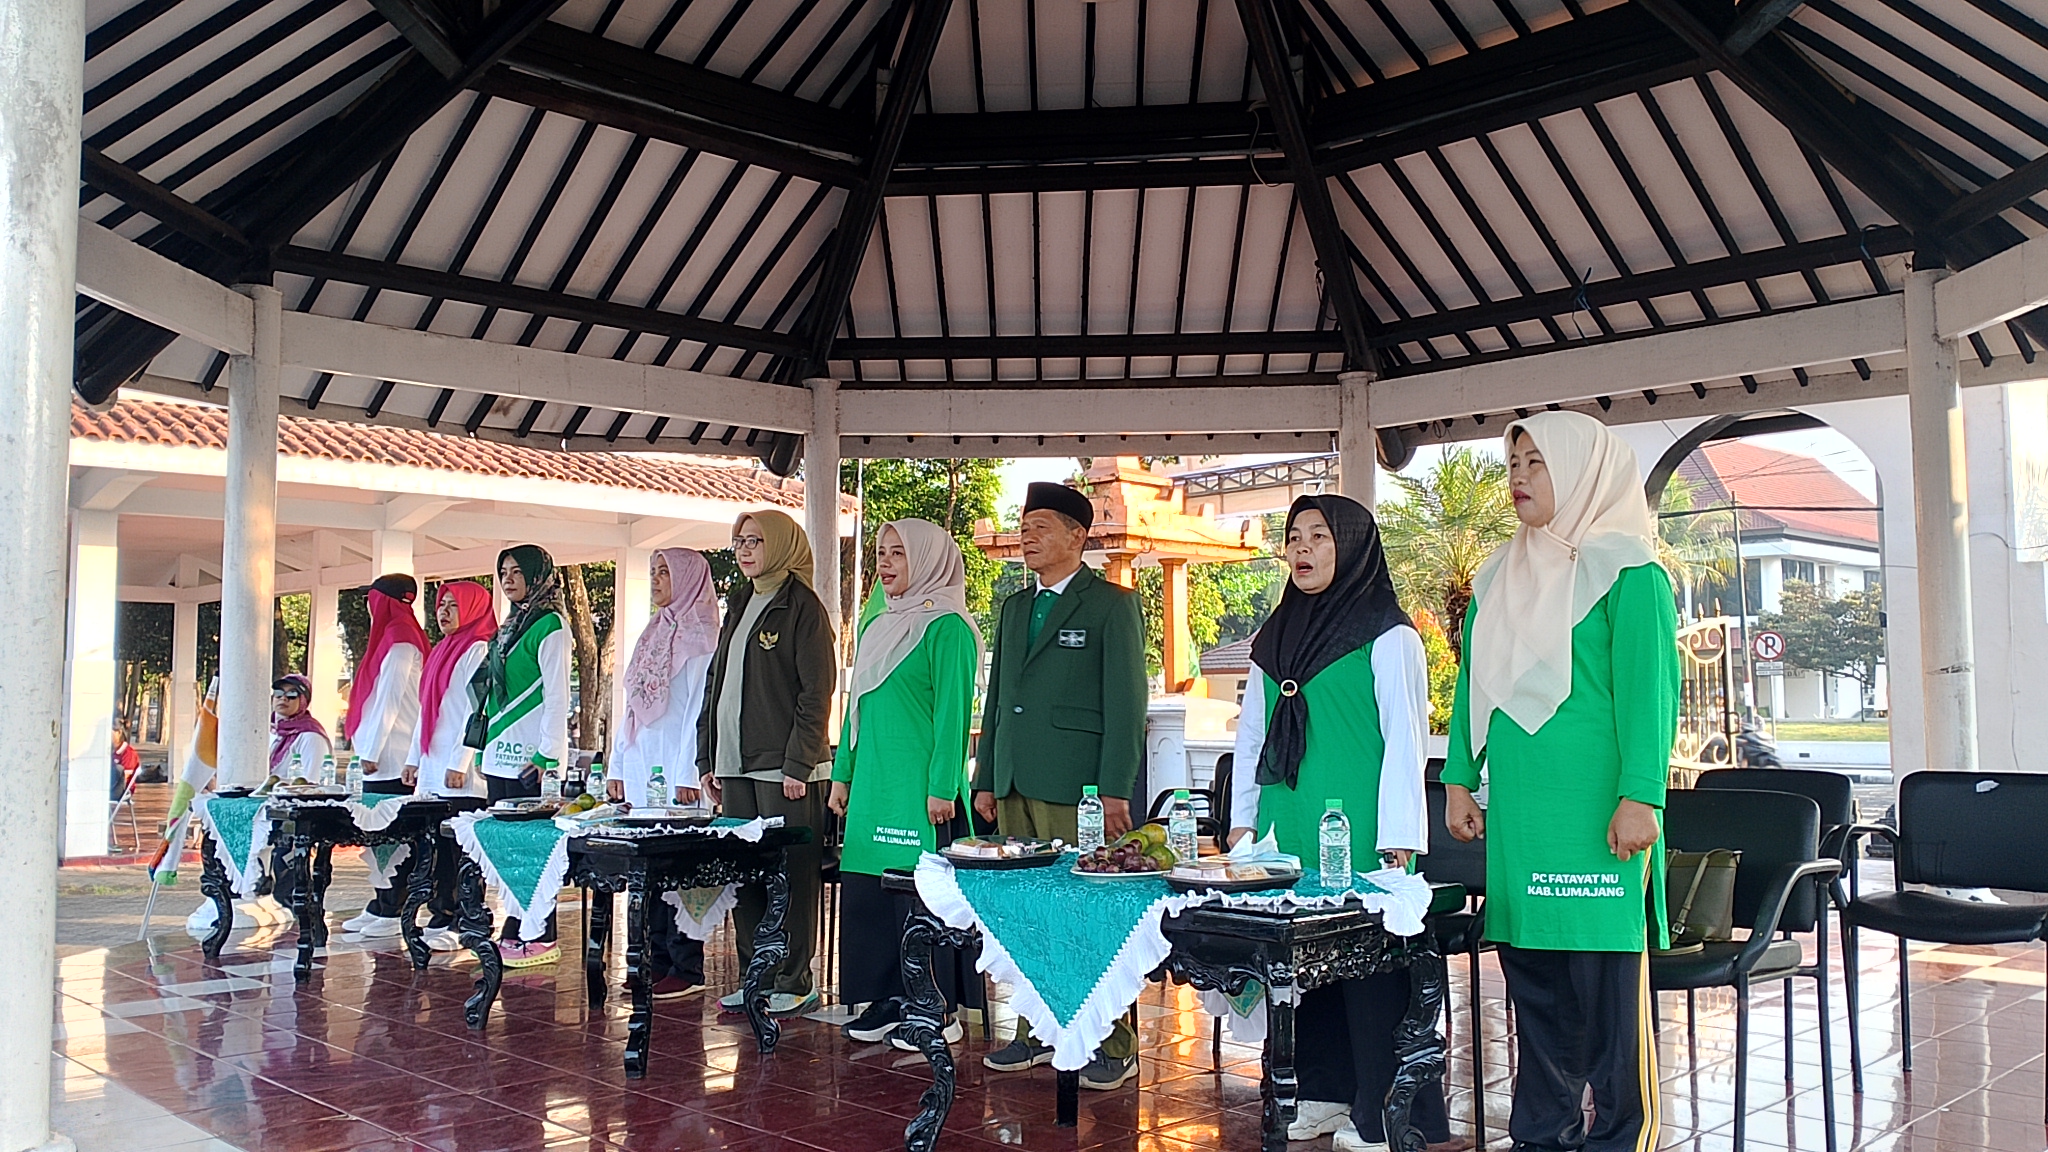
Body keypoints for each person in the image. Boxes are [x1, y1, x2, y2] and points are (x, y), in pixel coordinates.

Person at [1441, 411, 1679, 1152]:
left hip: (1600, 820)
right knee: (1535, 984)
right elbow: (1473, 688)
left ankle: (1622, 1137)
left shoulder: (1631, 574)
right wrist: (1459, 779)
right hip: (1525, 818)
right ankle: (1542, 1135)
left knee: (1606, 993)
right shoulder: (1498, 577)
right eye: (1513, 464)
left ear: (1581, 471)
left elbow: (1650, 695)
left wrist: (1642, 795)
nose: (1518, 477)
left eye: (1536, 462)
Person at [1227, 494, 1452, 1151]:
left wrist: (1400, 837)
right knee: (1303, 973)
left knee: (1370, 974)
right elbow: (1251, 736)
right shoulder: (1274, 637)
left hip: (1361, 831)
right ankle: (1321, 1093)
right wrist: (1243, 821)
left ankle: (1384, 1115)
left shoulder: (1389, 632)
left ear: (1351, 546)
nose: (1301, 549)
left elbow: (1406, 738)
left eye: (1319, 537)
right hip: (1287, 825)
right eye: (1294, 537)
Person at [973, 481, 1147, 1090]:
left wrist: (1115, 788)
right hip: (1015, 781)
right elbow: (998, 699)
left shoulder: (1112, 605)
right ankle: (1032, 1031)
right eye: (1024, 527)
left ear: (1078, 536)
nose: (1028, 537)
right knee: (1025, 910)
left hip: (1078, 787)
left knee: (1085, 910)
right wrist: (986, 777)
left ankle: (1114, 1042)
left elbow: (1126, 705)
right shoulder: (1014, 608)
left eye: (1041, 526)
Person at [828, 519, 980, 1048]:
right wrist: (842, 774)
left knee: (922, 897)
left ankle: (937, 1007)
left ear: (930, 559)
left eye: (899, 553)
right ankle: (888, 999)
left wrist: (942, 785)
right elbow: (856, 709)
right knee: (872, 893)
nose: (886, 563)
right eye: (881, 552)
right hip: (874, 786)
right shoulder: (878, 624)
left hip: (921, 792)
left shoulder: (948, 628)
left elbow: (953, 716)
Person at [698, 509, 834, 1016]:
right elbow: (716, 684)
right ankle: (756, 976)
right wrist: (707, 756)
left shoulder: (802, 607)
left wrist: (798, 762)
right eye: (739, 541)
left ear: (779, 544)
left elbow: (817, 692)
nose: (744, 550)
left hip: (784, 770)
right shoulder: (739, 602)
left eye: (755, 540)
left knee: (790, 876)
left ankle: (795, 981)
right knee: (746, 875)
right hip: (734, 765)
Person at [614, 548, 720, 1000]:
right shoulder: (653, 633)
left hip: (679, 774)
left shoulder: (704, 637)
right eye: (653, 571)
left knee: (681, 872)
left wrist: (689, 772)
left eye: (665, 572)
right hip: (643, 770)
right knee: (649, 870)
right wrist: (618, 766)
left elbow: (699, 710)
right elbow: (631, 707)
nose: (656, 580)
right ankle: (651, 960)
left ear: (689, 578)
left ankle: (685, 965)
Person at [473, 544, 573, 968]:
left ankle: (541, 934)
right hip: (500, 753)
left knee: (533, 849)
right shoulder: (509, 627)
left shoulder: (551, 625)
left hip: (532, 759)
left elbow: (557, 696)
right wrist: (484, 749)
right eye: (503, 572)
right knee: (506, 849)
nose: (508, 579)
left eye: (517, 571)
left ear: (538, 575)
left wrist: (549, 757)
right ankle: (514, 927)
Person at [405, 580, 497, 952]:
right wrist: (414, 759)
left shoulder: (478, 649)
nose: (444, 612)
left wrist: (461, 761)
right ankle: (442, 912)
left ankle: (465, 919)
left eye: (453, 605)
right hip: (434, 764)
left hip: (461, 771)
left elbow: (478, 710)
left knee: (461, 850)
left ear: (472, 608)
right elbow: (427, 710)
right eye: (441, 604)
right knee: (438, 849)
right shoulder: (442, 649)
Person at [340, 574, 427, 940]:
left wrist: (371, 750)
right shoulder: (392, 637)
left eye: (371, 598)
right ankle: (382, 902)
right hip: (383, 756)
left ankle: (395, 907)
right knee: (377, 834)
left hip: (391, 756)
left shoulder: (401, 639)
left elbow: (390, 699)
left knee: (393, 835)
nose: (367, 605)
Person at [266, 673, 333, 912]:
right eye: (278, 694)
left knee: (287, 874)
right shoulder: (270, 731)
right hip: (266, 811)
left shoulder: (310, 736)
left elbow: (310, 783)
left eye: (291, 695)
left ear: (303, 700)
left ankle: (298, 919)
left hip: (294, 816)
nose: (282, 699)